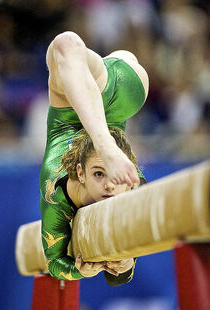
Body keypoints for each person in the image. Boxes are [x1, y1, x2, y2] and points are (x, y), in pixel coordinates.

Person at [40, 31, 149, 285]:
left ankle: (104, 141)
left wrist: (82, 272)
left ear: (79, 173)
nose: (110, 185)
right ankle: (105, 142)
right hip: (120, 93)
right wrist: (128, 260)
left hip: (69, 104)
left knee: (64, 45)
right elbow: (118, 278)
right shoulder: (129, 182)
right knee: (82, 52)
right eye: (100, 174)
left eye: (100, 172)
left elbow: (54, 261)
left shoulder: (55, 190)